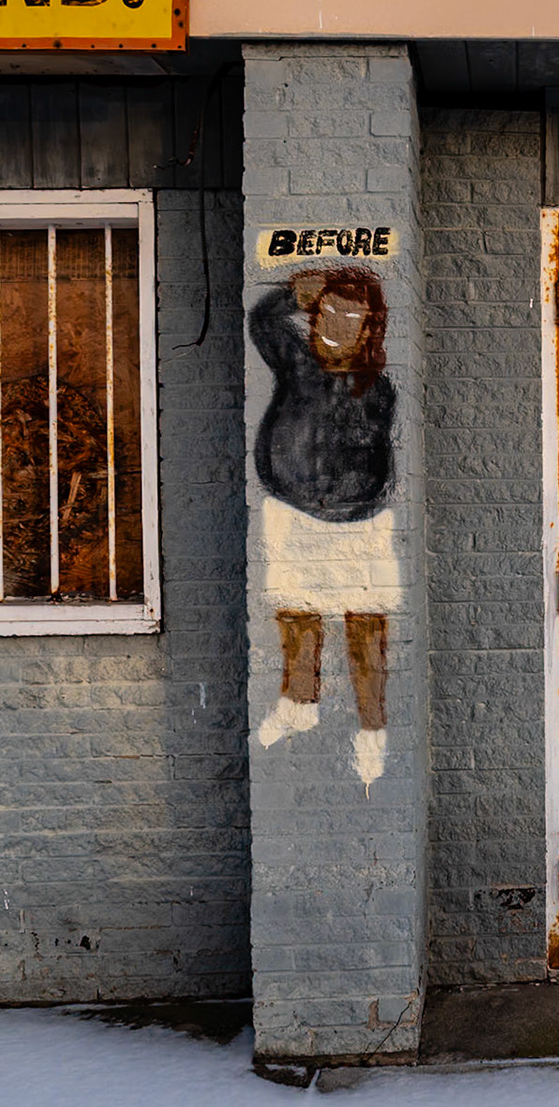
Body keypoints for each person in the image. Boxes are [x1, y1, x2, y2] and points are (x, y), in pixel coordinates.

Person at [249, 266, 398, 787]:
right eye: (328, 315)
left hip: (359, 523)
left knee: (365, 626)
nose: (336, 328)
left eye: (350, 319)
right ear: (313, 320)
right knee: (296, 617)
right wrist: (294, 293)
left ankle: (372, 732)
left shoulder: (376, 389)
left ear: (367, 328)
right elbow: (262, 321)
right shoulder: (295, 364)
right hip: (292, 514)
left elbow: (375, 456)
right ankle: (298, 702)